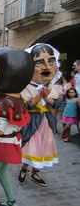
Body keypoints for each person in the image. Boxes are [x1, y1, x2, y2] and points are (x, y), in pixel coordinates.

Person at [0, 48, 34, 206]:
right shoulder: (18, 99)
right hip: (12, 142)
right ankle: (11, 202)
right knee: (1, 172)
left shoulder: (1, 103)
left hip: (0, 144)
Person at [17, 43, 62, 187]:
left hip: (46, 123)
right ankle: (23, 170)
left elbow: (56, 103)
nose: (47, 67)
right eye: (39, 63)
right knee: (30, 147)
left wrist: (46, 97)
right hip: (31, 122)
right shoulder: (24, 85)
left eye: (51, 61)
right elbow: (26, 105)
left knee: (43, 148)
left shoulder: (51, 86)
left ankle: (35, 172)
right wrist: (40, 96)